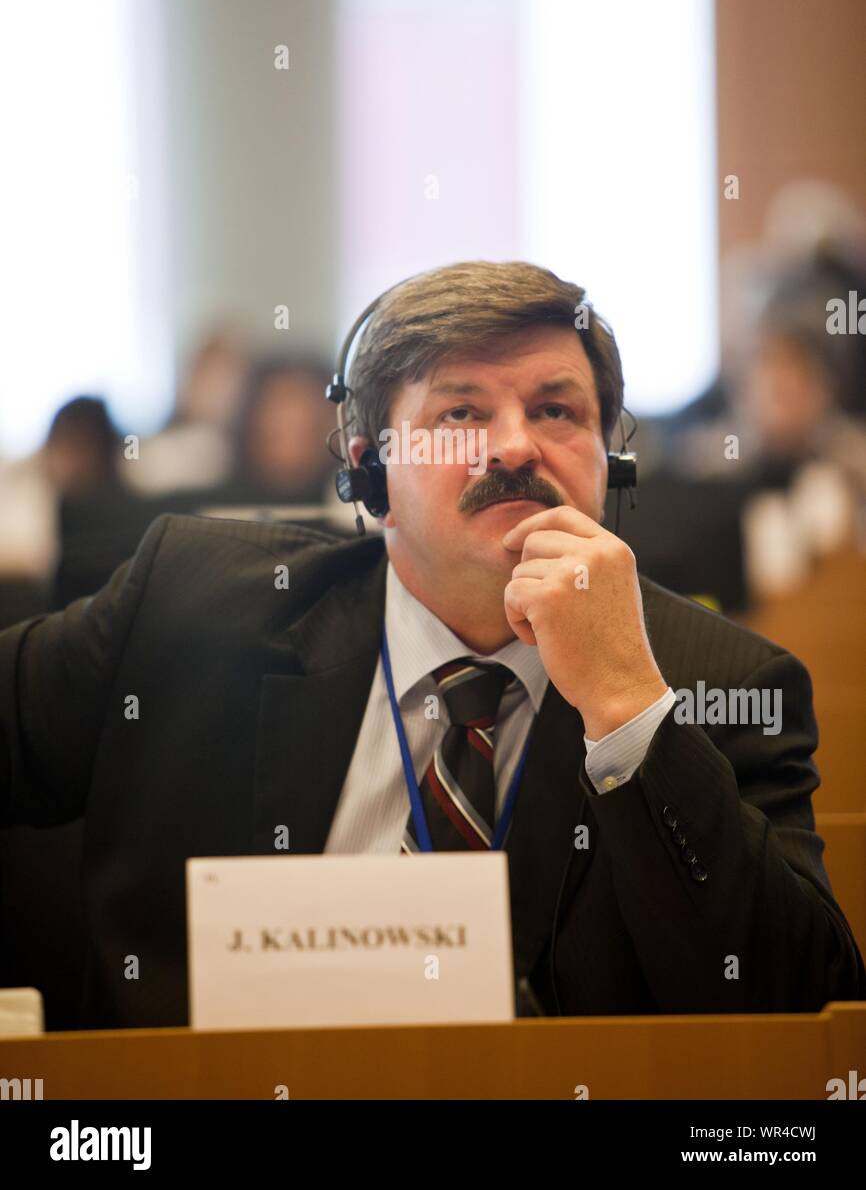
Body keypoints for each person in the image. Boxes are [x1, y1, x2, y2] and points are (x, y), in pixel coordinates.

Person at [0, 260, 863, 1029]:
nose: (517, 444)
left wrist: (630, 712)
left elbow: (801, 1011)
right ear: (370, 470)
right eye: (462, 412)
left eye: (557, 410)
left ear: (611, 463)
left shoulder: (719, 680)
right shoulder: (191, 605)